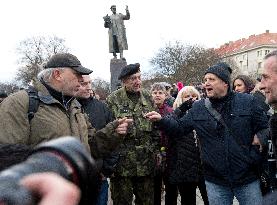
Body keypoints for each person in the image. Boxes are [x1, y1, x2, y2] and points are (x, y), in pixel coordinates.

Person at [146, 62, 269, 205]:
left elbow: (265, 127)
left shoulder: (248, 101)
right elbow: (179, 128)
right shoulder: (199, 108)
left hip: (247, 177)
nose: (206, 83)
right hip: (216, 181)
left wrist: (260, 139)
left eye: (211, 79)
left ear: (225, 83)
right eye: (205, 80)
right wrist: (161, 120)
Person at [0, 53, 132, 160]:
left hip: (77, 189)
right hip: (45, 192)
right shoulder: (19, 103)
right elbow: (8, 160)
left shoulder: (74, 105)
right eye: (77, 74)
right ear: (57, 74)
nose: (81, 79)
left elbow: (91, 146)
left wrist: (113, 132)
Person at [106, 63, 160, 205]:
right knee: (121, 202)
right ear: (124, 81)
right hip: (122, 166)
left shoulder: (148, 98)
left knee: (147, 201)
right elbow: (107, 131)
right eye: (132, 79)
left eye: (139, 77)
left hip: (145, 163)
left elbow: (155, 129)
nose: (137, 82)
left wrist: (156, 151)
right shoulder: (113, 100)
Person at [77, 75, 118, 205]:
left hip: (99, 176)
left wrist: (106, 170)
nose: (88, 87)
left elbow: (113, 140)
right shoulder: (65, 108)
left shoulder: (102, 108)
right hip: (75, 178)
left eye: (90, 83)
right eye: (83, 83)